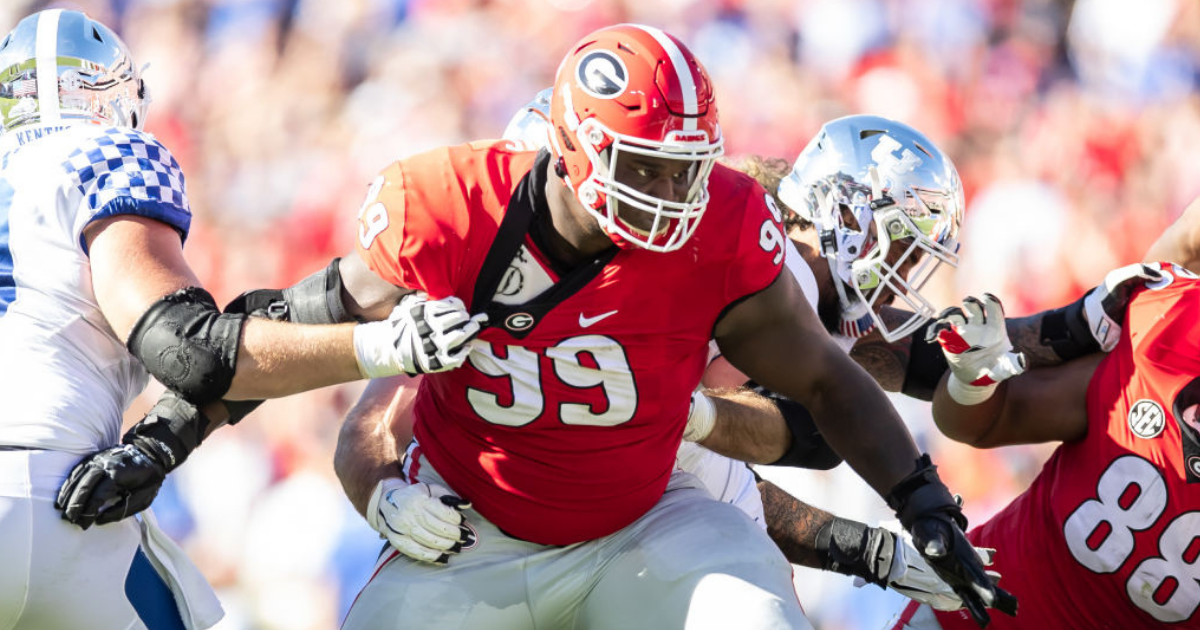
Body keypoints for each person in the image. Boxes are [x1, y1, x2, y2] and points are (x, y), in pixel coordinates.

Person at [321, 23, 1009, 630]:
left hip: (653, 529)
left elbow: (825, 403)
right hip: (486, 537)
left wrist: (917, 506)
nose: (659, 202)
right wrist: (384, 491)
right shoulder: (463, 243)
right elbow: (367, 417)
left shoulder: (706, 251)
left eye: (672, 176)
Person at [0, 9, 474, 630]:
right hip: (43, 489)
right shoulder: (99, 155)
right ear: (105, 91)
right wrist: (383, 346)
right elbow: (185, 348)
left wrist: (157, 441)